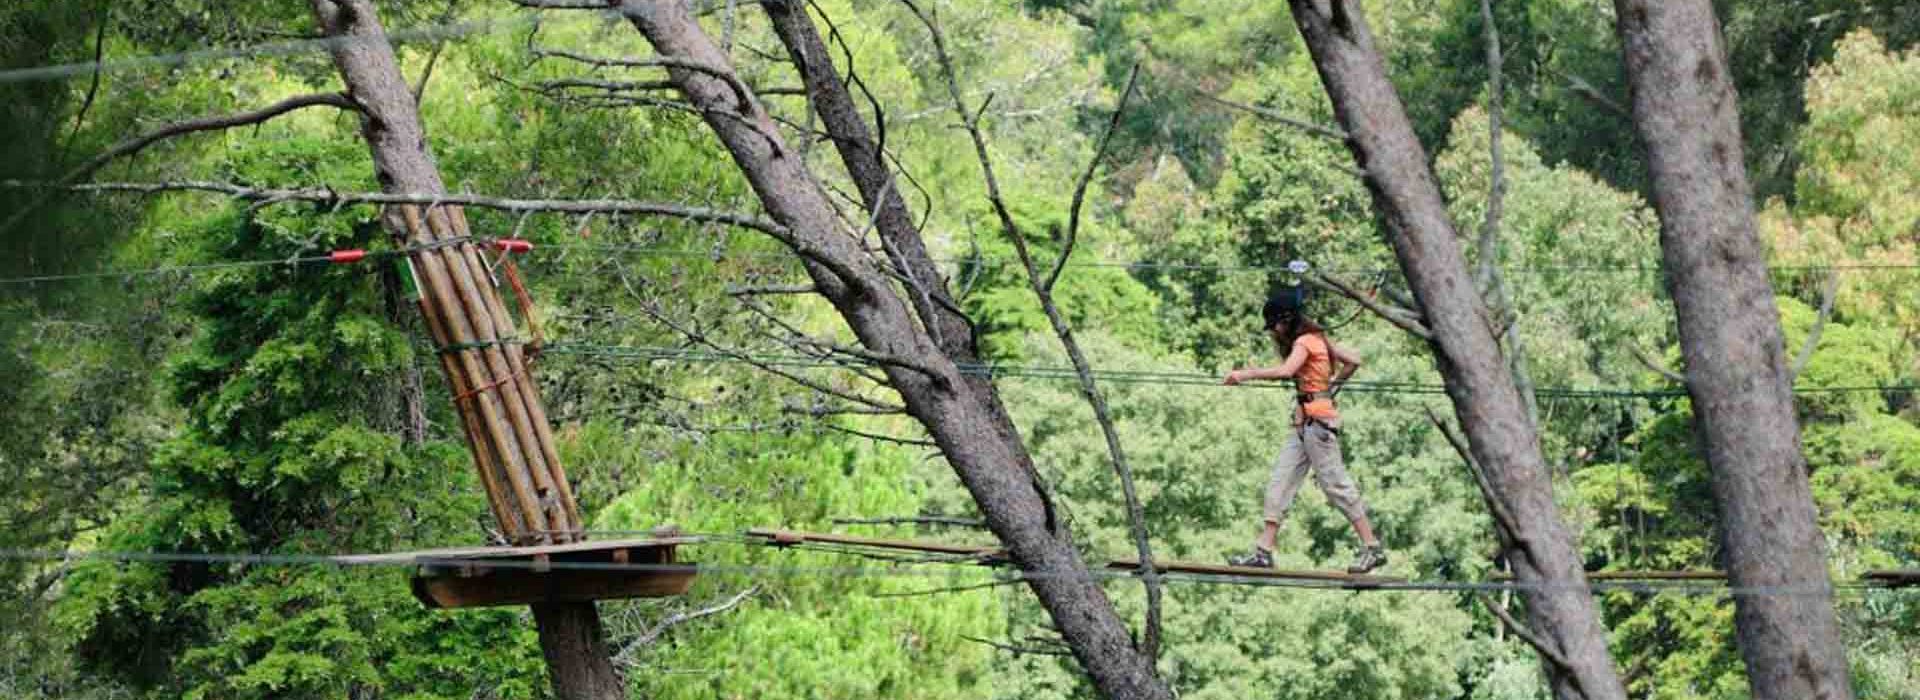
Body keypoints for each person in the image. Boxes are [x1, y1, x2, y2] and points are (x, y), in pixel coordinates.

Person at [1223, 289, 1388, 574]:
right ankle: (1263, 551)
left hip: (1319, 425)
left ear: (1286, 320)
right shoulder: (1317, 339)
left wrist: (1244, 374)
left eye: (1275, 325)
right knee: (1280, 481)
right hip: (1303, 423)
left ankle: (1372, 547)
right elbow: (1353, 361)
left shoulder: (1306, 341)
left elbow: (1286, 371)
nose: (1274, 332)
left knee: (1335, 484)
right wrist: (1328, 389)